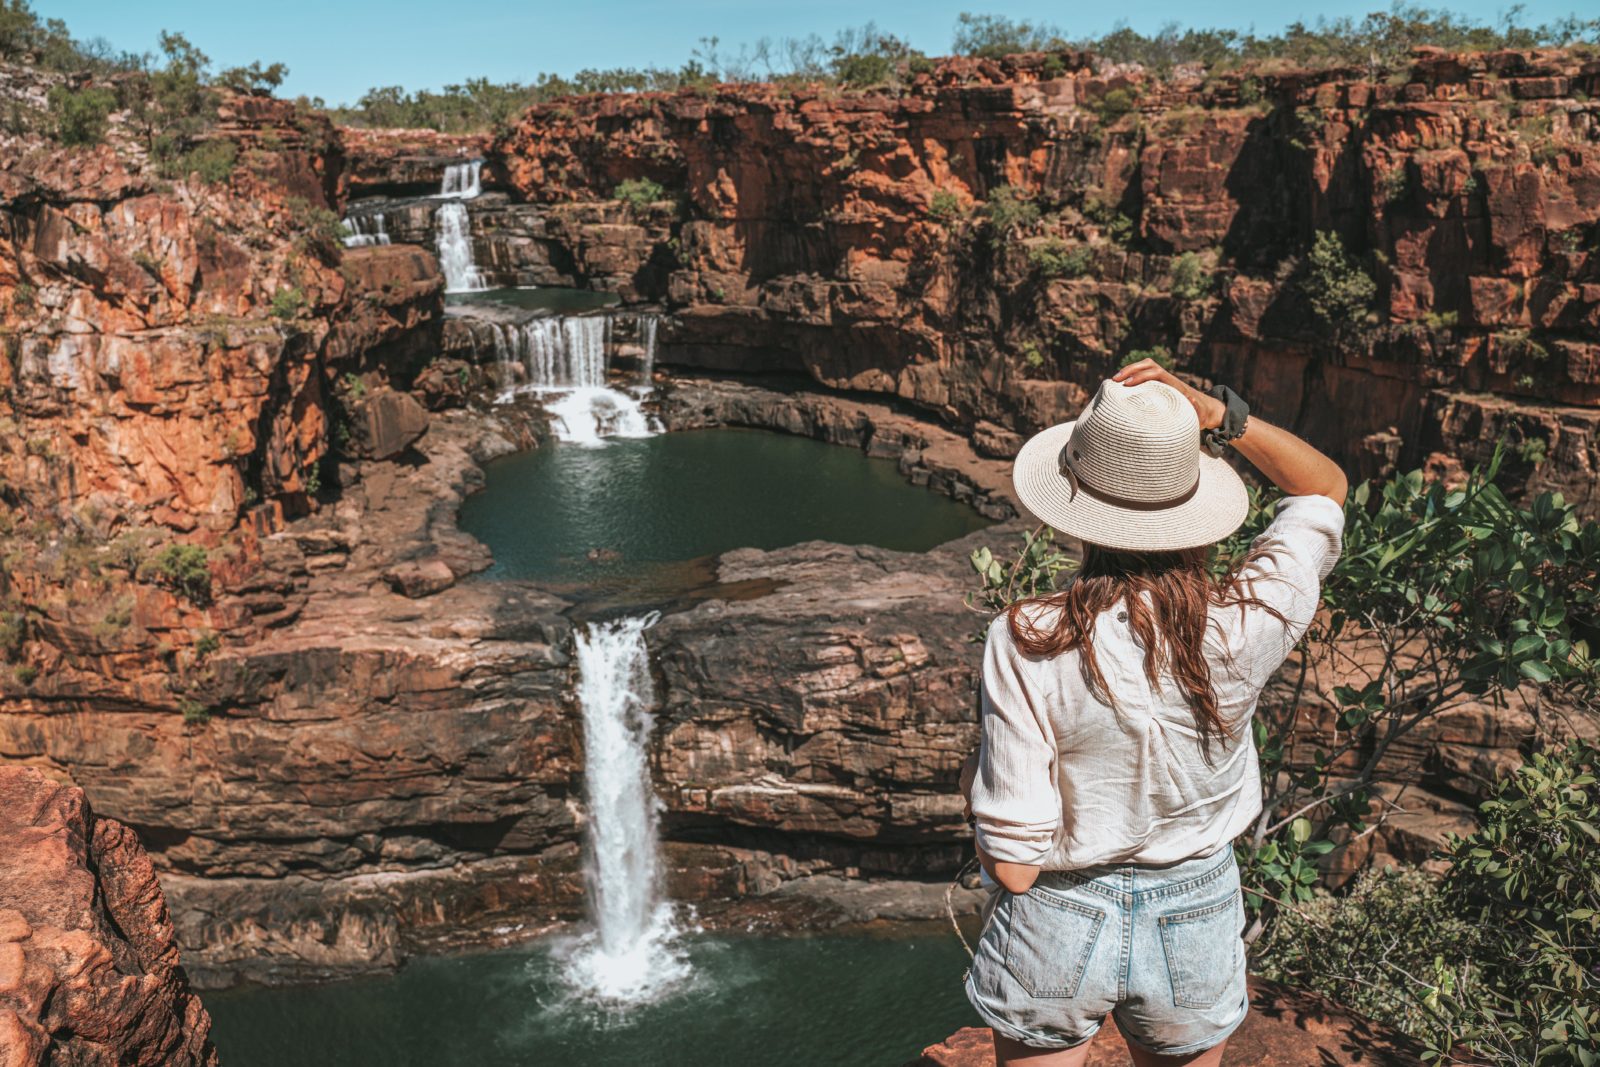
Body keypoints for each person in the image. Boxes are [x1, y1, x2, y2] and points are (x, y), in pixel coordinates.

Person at [960, 358, 1349, 1066]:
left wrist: (974, 786)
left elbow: (1014, 869)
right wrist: (1218, 413)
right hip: (1196, 911)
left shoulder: (1025, 637)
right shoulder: (1250, 617)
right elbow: (1324, 487)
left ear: (1075, 503)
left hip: (1056, 915)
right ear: (1195, 504)